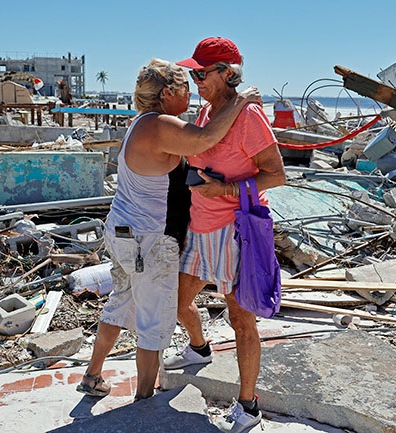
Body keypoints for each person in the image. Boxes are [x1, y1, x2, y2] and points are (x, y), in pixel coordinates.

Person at [76, 58, 261, 401]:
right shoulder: (160, 125)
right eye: (186, 88)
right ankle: (144, 402)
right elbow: (205, 138)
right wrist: (241, 99)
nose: (191, 94)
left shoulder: (140, 123)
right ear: (168, 93)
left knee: (121, 302)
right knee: (153, 324)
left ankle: (92, 375)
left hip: (122, 233)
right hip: (149, 239)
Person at [165, 37, 285, 432]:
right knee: (179, 302)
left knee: (240, 319)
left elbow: (276, 175)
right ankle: (200, 349)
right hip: (201, 230)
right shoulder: (207, 112)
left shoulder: (249, 117)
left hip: (235, 232)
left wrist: (227, 189)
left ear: (228, 74)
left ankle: (248, 405)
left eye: (202, 72)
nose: (195, 78)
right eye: (192, 72)